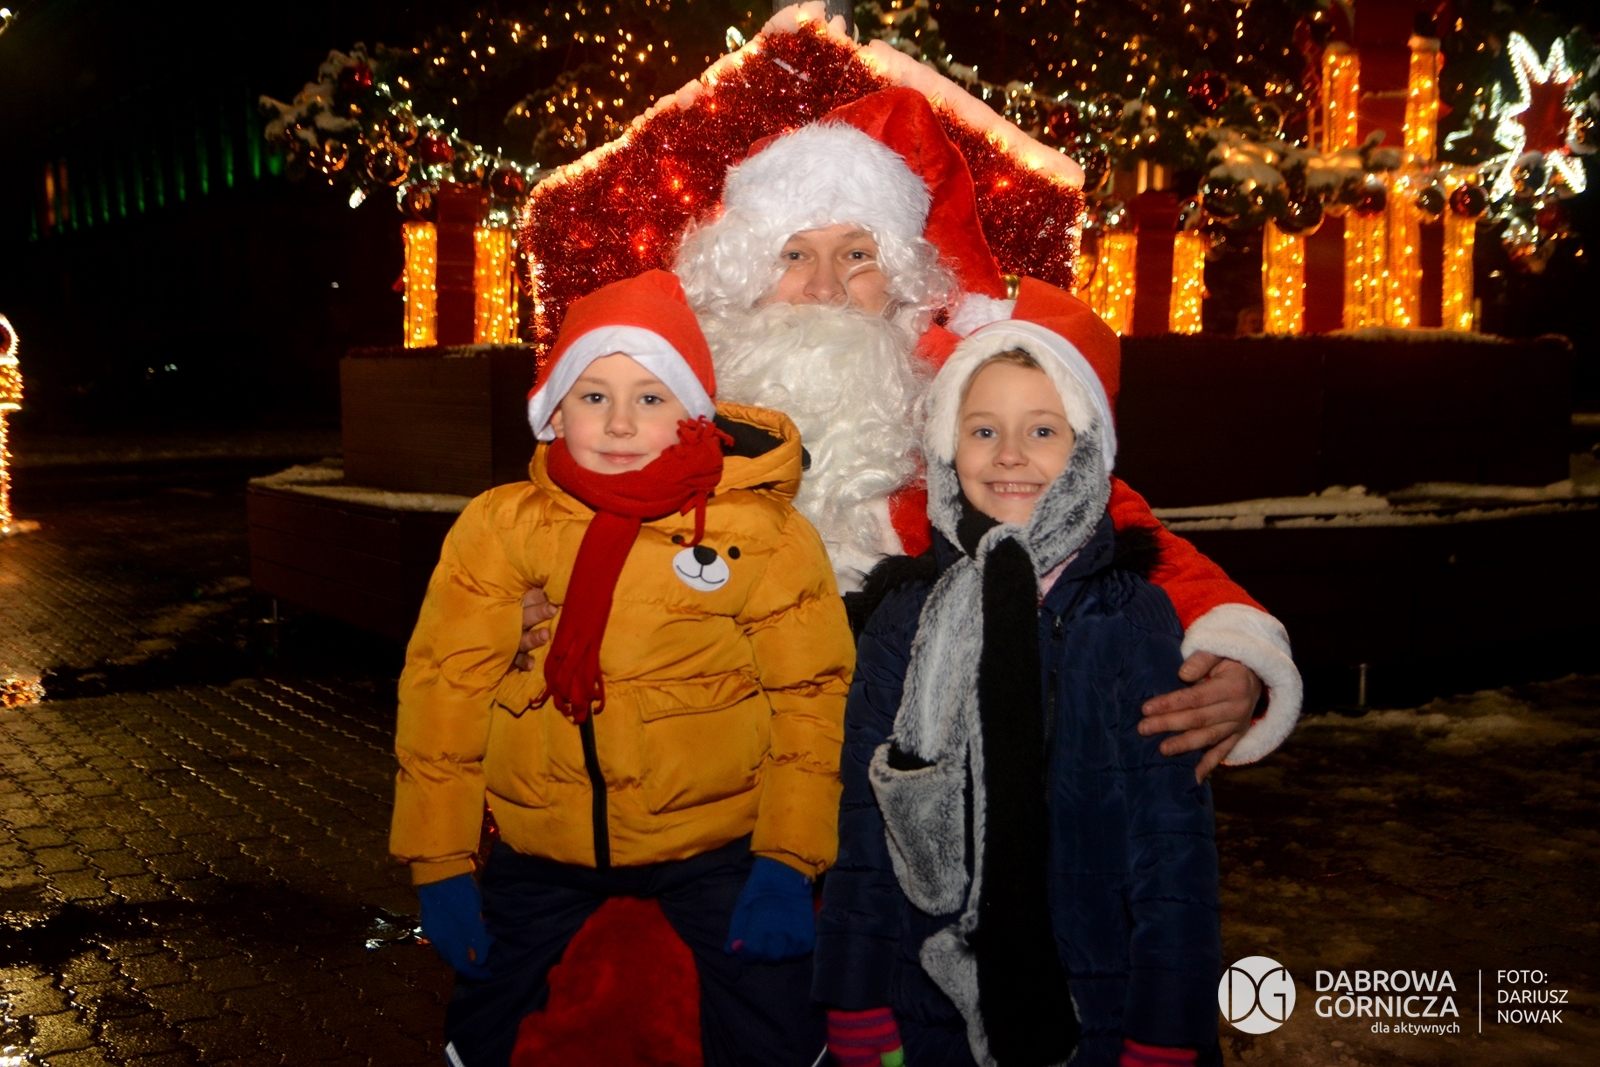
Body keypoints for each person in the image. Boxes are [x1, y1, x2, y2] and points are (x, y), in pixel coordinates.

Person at [523, 87, 1300, 778]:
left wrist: (1234, 648)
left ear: (900, 277)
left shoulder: (952, 401)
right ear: (747, 271)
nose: (825, 286)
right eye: (796, 254)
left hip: (901, 775)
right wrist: (529, 599)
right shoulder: (668, 402)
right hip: (701, 781)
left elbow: (1102, 518)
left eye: (857, 255)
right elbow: (551, 529)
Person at [389, 270, 853, 1067]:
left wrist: (787, 859)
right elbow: (444, 690)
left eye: (650, 395)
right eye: (594, 394)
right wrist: (440, 859)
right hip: (543, 840)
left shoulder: (762, 534)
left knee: (777, 1017)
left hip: (710, 836)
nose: (619, 421)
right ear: (554, 410)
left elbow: (811, 699)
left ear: (692, 413)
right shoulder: (501, 526)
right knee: (482, 1020)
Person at [815, 298, 1221, 1067]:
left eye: (1042, 431)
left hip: (1099, 1001)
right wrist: (853, 990)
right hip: (925, 1004)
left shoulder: (1130, 618)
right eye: (982, 431)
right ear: (947, 447)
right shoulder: (904, 619)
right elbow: (864, 824)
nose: (1009, 455)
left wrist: (1168, 1026)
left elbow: (1173, 847)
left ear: (1085, 450)